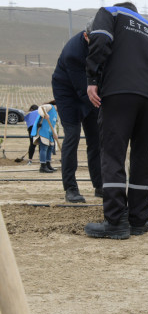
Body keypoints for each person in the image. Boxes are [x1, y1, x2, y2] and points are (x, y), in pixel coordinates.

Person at [84, 2, 148, 239]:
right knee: (142, 157)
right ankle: (139, 220)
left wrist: (92, 78)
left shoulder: (110, 12)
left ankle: (115, 221)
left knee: (113, 154)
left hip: (119, 92)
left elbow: (99, 40)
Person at [52, 20, 103, 203]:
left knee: (96, 139)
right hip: (68, 94)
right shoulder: (73, 53)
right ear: (85, 35)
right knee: (72, 137)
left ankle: (100, 185)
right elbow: (83, 90)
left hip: (89, 90)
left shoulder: (100, 44)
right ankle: (71, 188)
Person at [30, 104, 58, 174]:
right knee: (44, 148)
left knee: (50, 148)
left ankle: (48, 164)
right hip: (42, 130)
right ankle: (43, 166)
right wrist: (44, 115)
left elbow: (53, 124)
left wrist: (55, 134)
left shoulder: (56, 113)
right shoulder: (50, 106)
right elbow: (40, 108)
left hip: (49, 133)